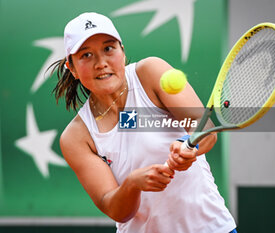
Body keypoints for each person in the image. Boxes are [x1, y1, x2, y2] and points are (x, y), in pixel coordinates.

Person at [51, 12, 237, 233]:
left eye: (108, 49)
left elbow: (203, 126)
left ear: (122, 50)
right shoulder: (76, 138)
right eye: (87, 55)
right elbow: (113, 207)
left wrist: (188, 144)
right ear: (71, 68)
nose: (101, 63)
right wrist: (132, 184)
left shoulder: (150, 72)